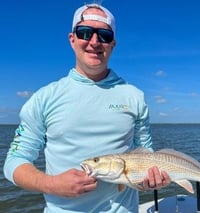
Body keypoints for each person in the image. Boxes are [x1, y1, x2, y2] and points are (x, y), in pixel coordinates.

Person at [3, 3, 170, 213]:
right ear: (72, 40)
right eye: (85, 33)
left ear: (113, 44)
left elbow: (145, 153)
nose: (94, 42)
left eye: (104, 36)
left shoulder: (135, 97)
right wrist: (51, 184)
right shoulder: (44, 98)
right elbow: (14, 162)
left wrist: (149, 179)